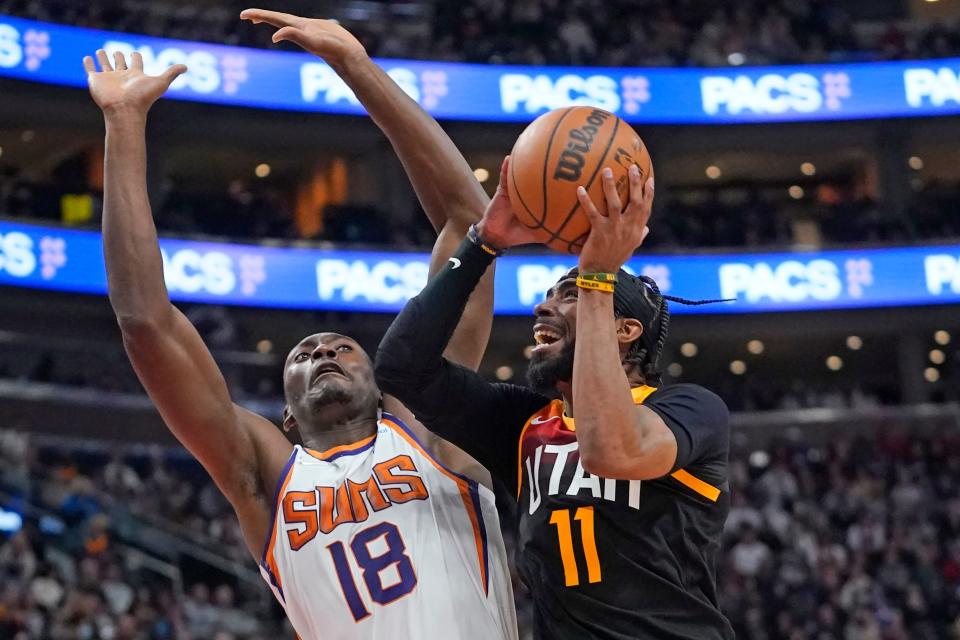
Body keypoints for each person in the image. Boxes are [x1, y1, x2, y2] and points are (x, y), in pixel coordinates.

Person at [83, 11, 517, 636]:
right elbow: (146, 323)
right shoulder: (265, 473)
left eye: (343, 347)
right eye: (304, 355)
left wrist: (357, 67)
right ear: (285, 416)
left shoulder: (431, 425)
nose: (322, 353)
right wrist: (123, 126)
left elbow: (468, 221)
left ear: (382, 382)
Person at [376, 158, 735, 639]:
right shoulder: (524, 424)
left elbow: (614, 447)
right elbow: (402, 367)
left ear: (625, 330)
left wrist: (596, 280)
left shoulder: (690, 409)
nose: (543, 305)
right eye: (554, 294)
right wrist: (482, 243)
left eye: (567, 294)